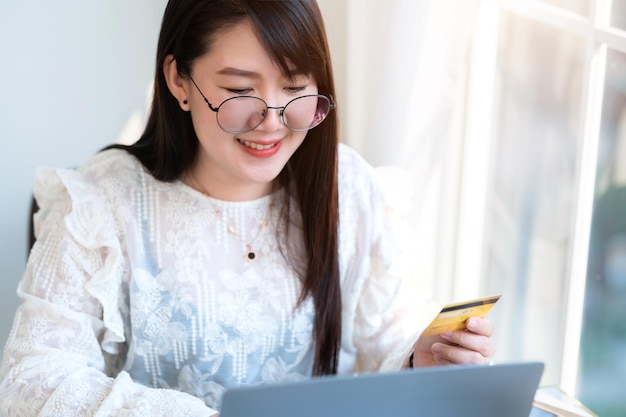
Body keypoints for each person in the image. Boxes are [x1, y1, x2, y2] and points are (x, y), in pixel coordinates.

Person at [0, 1, 495, 416]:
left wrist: (420, 360)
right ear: (178, 81)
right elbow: (31, 381)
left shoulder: (351, 189)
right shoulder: (101, 202)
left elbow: (389, 336)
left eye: (295, 86)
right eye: (240, 91)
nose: (272, 123)